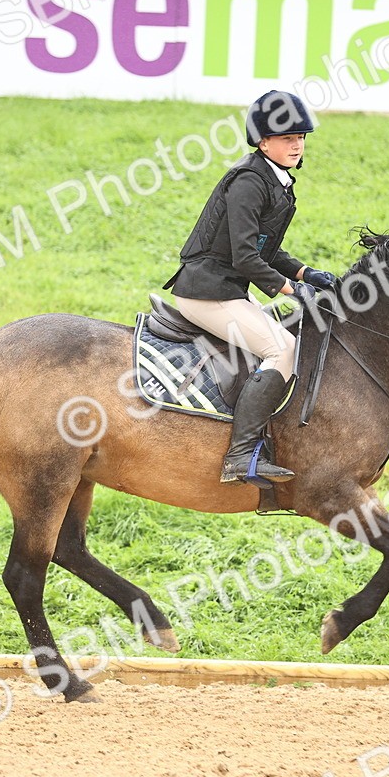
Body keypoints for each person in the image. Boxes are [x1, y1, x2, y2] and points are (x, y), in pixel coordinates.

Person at [162, 91, 338, 486]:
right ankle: (240, 456)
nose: (297, 145)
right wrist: (291, 291)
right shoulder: (250, 182)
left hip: (227, 288)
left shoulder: (274, 180)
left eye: (301, 137)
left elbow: (265, 249)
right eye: (287, 138)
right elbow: (245, 257)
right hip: (207, 292)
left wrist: (306, 273)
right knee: (282, 348)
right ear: (263, 141)